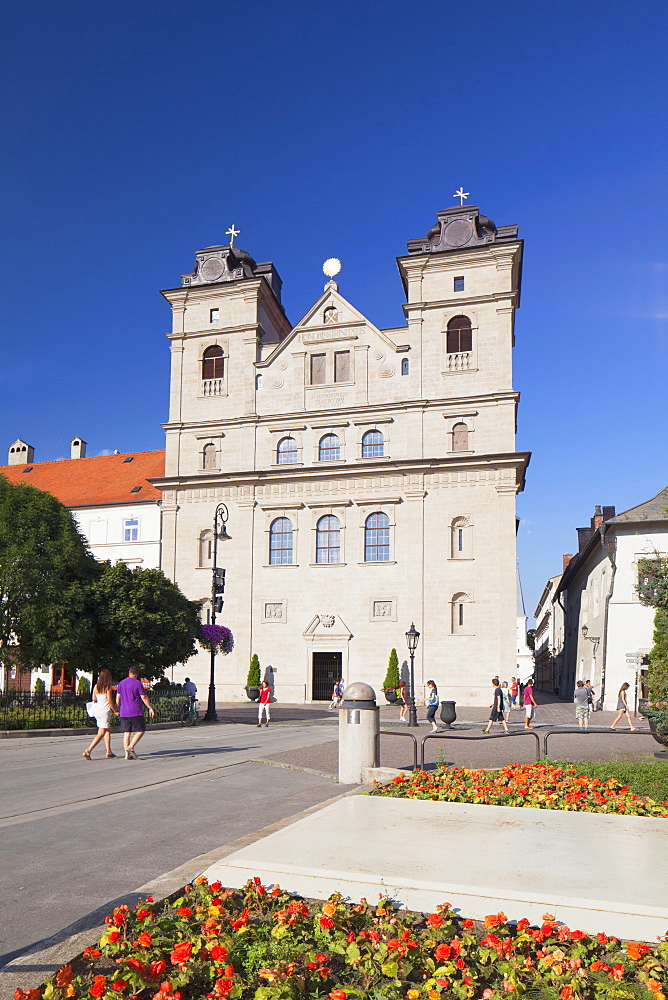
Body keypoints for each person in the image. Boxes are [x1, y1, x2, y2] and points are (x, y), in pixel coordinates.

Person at [116, 666, 155, 760]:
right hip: (135, 710)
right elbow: (144, 697)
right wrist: (150, 708)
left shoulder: (121, 683)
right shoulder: (138, 683)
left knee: (127, 732)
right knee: (141, 730)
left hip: (124, 711)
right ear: (137, 674)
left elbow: (118, 698)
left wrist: (118, 708)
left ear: (129, 673)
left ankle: (127, 755)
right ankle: (131, 746)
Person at [82, 669, 118, 760]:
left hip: (98, 711)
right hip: (104, 711)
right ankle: (88, 750)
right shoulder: (107, 688)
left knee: (107, 730)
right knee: (101, 732)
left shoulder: (96, 686)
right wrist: (115, 710)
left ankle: (109, 751)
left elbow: (94, 698)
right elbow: (110, 701)